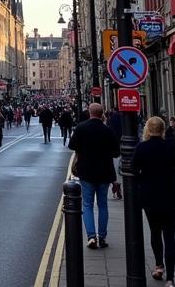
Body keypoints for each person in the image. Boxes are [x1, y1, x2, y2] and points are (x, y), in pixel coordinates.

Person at [133, 116, 175, 286]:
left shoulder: (142, 147)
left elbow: (132, 170)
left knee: (155, 233)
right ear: (163, 129)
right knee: (169, 236)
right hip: (170, 196)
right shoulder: (171, 145)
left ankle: (158, 267)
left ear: (148, 129)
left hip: (150, 197)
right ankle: (170, 279)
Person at [69, 102, 120, 250]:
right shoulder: (107, 130)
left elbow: (72, 146)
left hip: (86, 172)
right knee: (103, 204)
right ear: (102, 113)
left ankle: (91, 236)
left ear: (89, 113)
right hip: (104, 173)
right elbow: (116, 152)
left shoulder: (81, 128)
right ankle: (102, 236)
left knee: (87, 204)